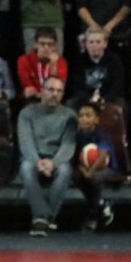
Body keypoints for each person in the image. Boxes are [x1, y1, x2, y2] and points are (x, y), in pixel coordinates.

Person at [18, 75, 77, 235]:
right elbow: (26, 141)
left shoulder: (70, 116)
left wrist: (54, 163)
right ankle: (46, 217)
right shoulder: (26, 113)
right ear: (42, 91)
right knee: (26, 168)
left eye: (59, 91)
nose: (54, 94)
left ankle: (40, 219)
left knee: (65, 171)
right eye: (50, 90)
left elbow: (68, 144)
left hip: (57, 159)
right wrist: (38, 162)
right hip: (33, 157)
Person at [73, 101, 119, 231]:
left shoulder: (101, 135)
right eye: (81, 116)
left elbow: (102, 156)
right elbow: (76, 158)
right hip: (86, 168)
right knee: (76, 176)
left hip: (107, 168)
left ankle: (93, 213)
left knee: (95, 178)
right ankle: (100, 203)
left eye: (88, 116)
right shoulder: (77, 136)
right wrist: (83, 170)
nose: (84, 119)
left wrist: (91, 171)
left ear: (96, 119)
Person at [66, 27, 127, 107]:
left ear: (105, 44)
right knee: (70, 103)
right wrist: (89, 99)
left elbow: (117, 85)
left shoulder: (114, 60)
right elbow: (78, 86)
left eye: (98, 42)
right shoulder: (79, 61)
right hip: (86, 99)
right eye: (91, 42)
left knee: (121, 104)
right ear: (86, 44)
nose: (94, 45)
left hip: (108, 98)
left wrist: (104, 99)